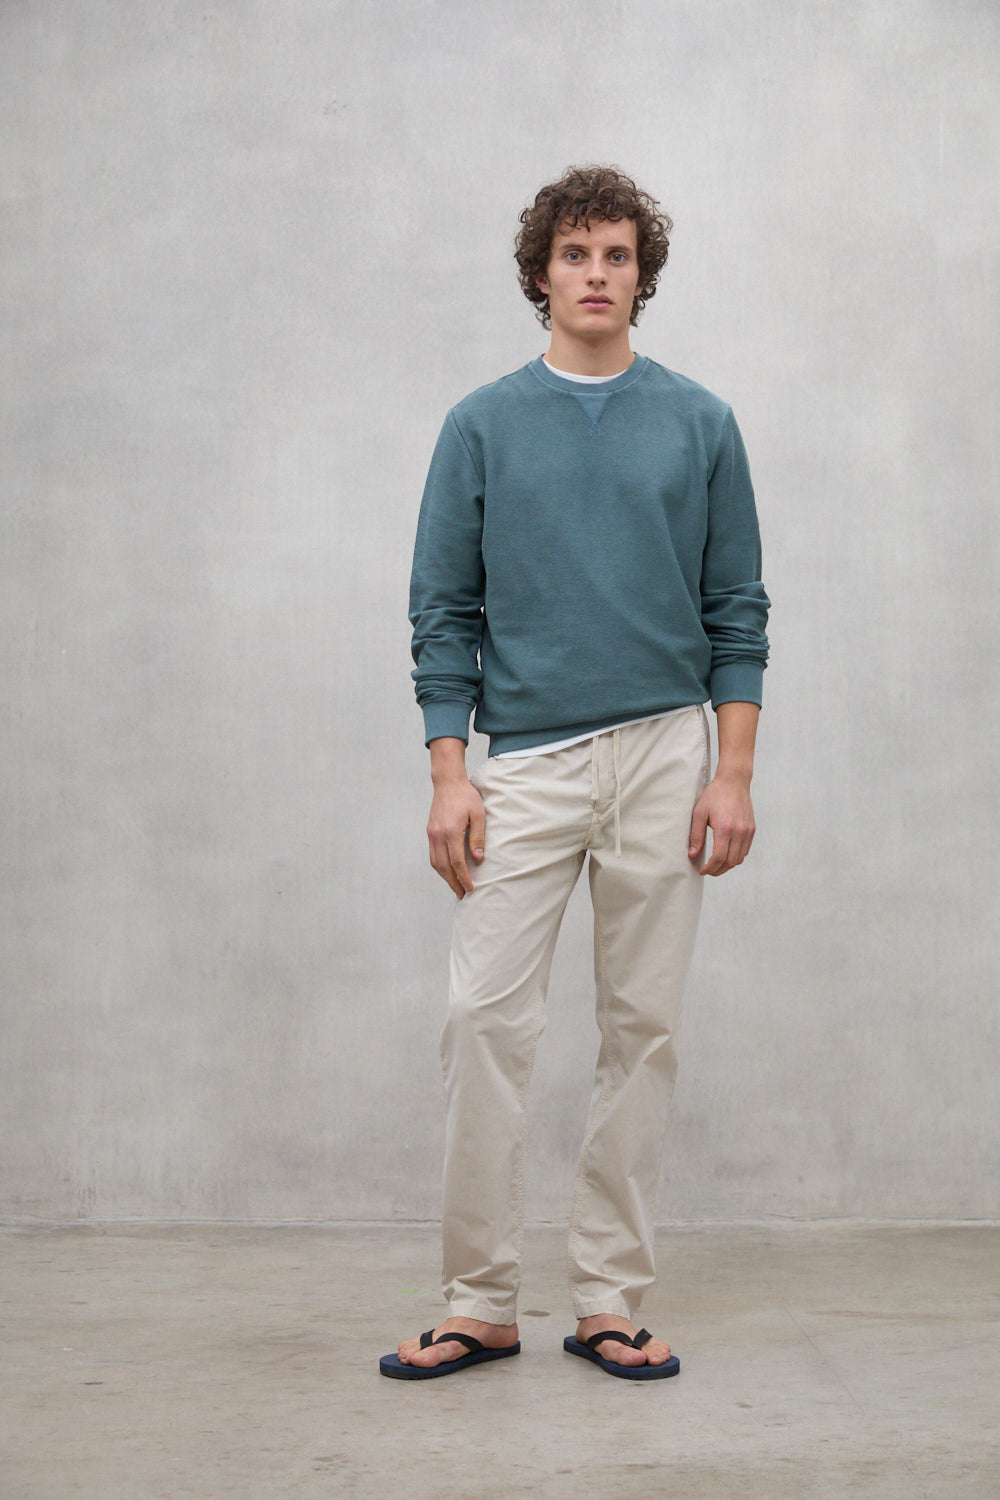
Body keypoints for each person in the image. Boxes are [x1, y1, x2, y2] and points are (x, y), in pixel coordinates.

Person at [380, 164, 771, 1382]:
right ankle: (477, 1300)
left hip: (664, 754)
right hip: (527, 761)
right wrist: (449, 775)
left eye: (615, 255)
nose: (595, 274)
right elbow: (443, 611)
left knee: (641, 1028)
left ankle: (608, 1297)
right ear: (539, 273)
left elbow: (736, 607)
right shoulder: (482, 424)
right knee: (482, 1020)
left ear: (640, 276)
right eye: (574, 254)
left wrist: (732, 772)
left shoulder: (699, 422)